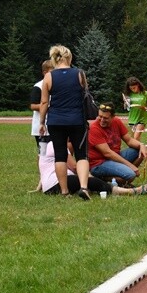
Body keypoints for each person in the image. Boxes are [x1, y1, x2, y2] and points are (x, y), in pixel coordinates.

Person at [37, 44, 93, 201]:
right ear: (69, 57)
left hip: (56, 121)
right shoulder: (79, 74)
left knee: (60, 155)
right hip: (77, 120)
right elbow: (85, 95)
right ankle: (83, 187)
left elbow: (44, 103)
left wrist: (42, 122)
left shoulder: (49, 77)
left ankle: (64, 191)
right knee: (81, 155)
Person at [40, 139, 147, 197]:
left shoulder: (48, 146)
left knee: (90, 182)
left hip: (50, 186)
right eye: (73, 147)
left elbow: (44, 169)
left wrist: (40, 186)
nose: (73, 150)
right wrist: (89, 177)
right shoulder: (60, 146)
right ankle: (130, 191)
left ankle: (117, 186)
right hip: (58, 183)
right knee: (90, 181)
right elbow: (75, 167)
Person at [88, 103, 147, 184]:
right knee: (130, 175)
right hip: (99, 163)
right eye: (100, 116)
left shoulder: (116, 121)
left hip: (115, 157)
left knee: (139, 151)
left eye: (105, 118)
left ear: (113, 117)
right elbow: (107, 153)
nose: (102, 120)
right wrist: (130, 166)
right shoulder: (94, 128)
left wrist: (141, 145)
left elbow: (129, 140)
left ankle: (122, 177)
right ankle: (103, 179)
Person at [31, 59, 55, 151]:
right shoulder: (38, 86)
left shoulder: (56, 85)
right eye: (52, 72)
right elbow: (33, 105)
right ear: (45, 72)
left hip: (54, 125)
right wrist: (47, 107)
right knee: (43, 152)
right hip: (41, 127)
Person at [123, 76, 147, 142]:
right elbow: (126, 108)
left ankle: (140, 151)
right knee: (134, 140)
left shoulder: (145, 93)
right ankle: (139, 151)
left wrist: (143, 107)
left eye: (134, 88)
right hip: (132, 118)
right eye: (131, 88)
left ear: (138, 85)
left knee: (136, 137)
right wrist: (126, 103)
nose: (133, 90)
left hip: (142, 118)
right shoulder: (129, 94)